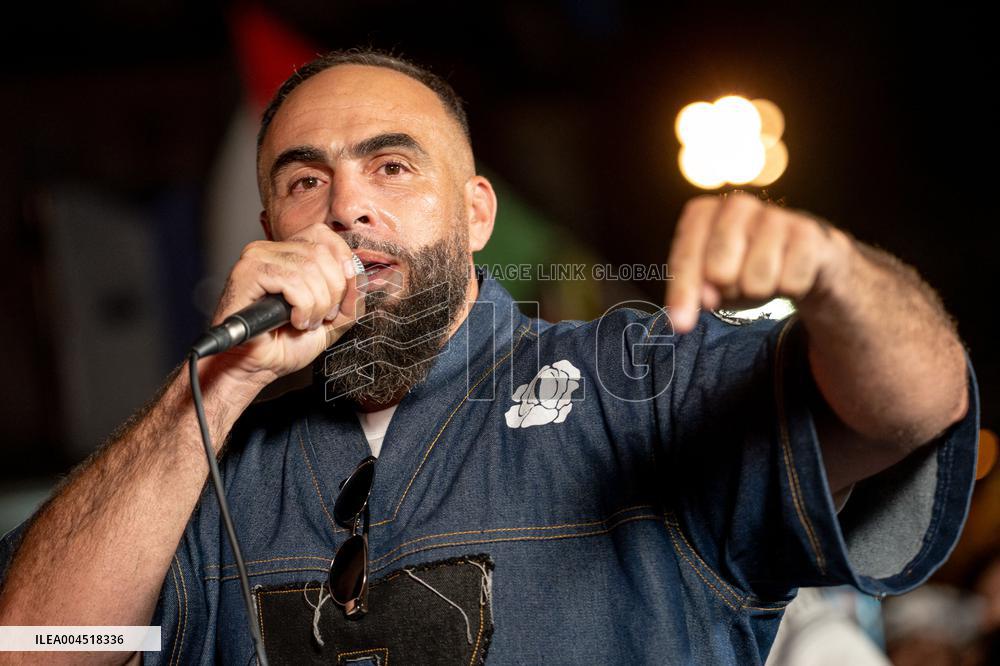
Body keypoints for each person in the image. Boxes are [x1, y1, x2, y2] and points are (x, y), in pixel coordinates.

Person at [0, 49, 979, 665]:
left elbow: (907, 412)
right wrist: (212, 390)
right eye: (306, 181)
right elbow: (39, 647)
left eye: (391, 165)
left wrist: (838, 276)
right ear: (268, 226)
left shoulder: (632, 381)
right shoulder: (204, 463)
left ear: (474, 215)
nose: (347, 205)